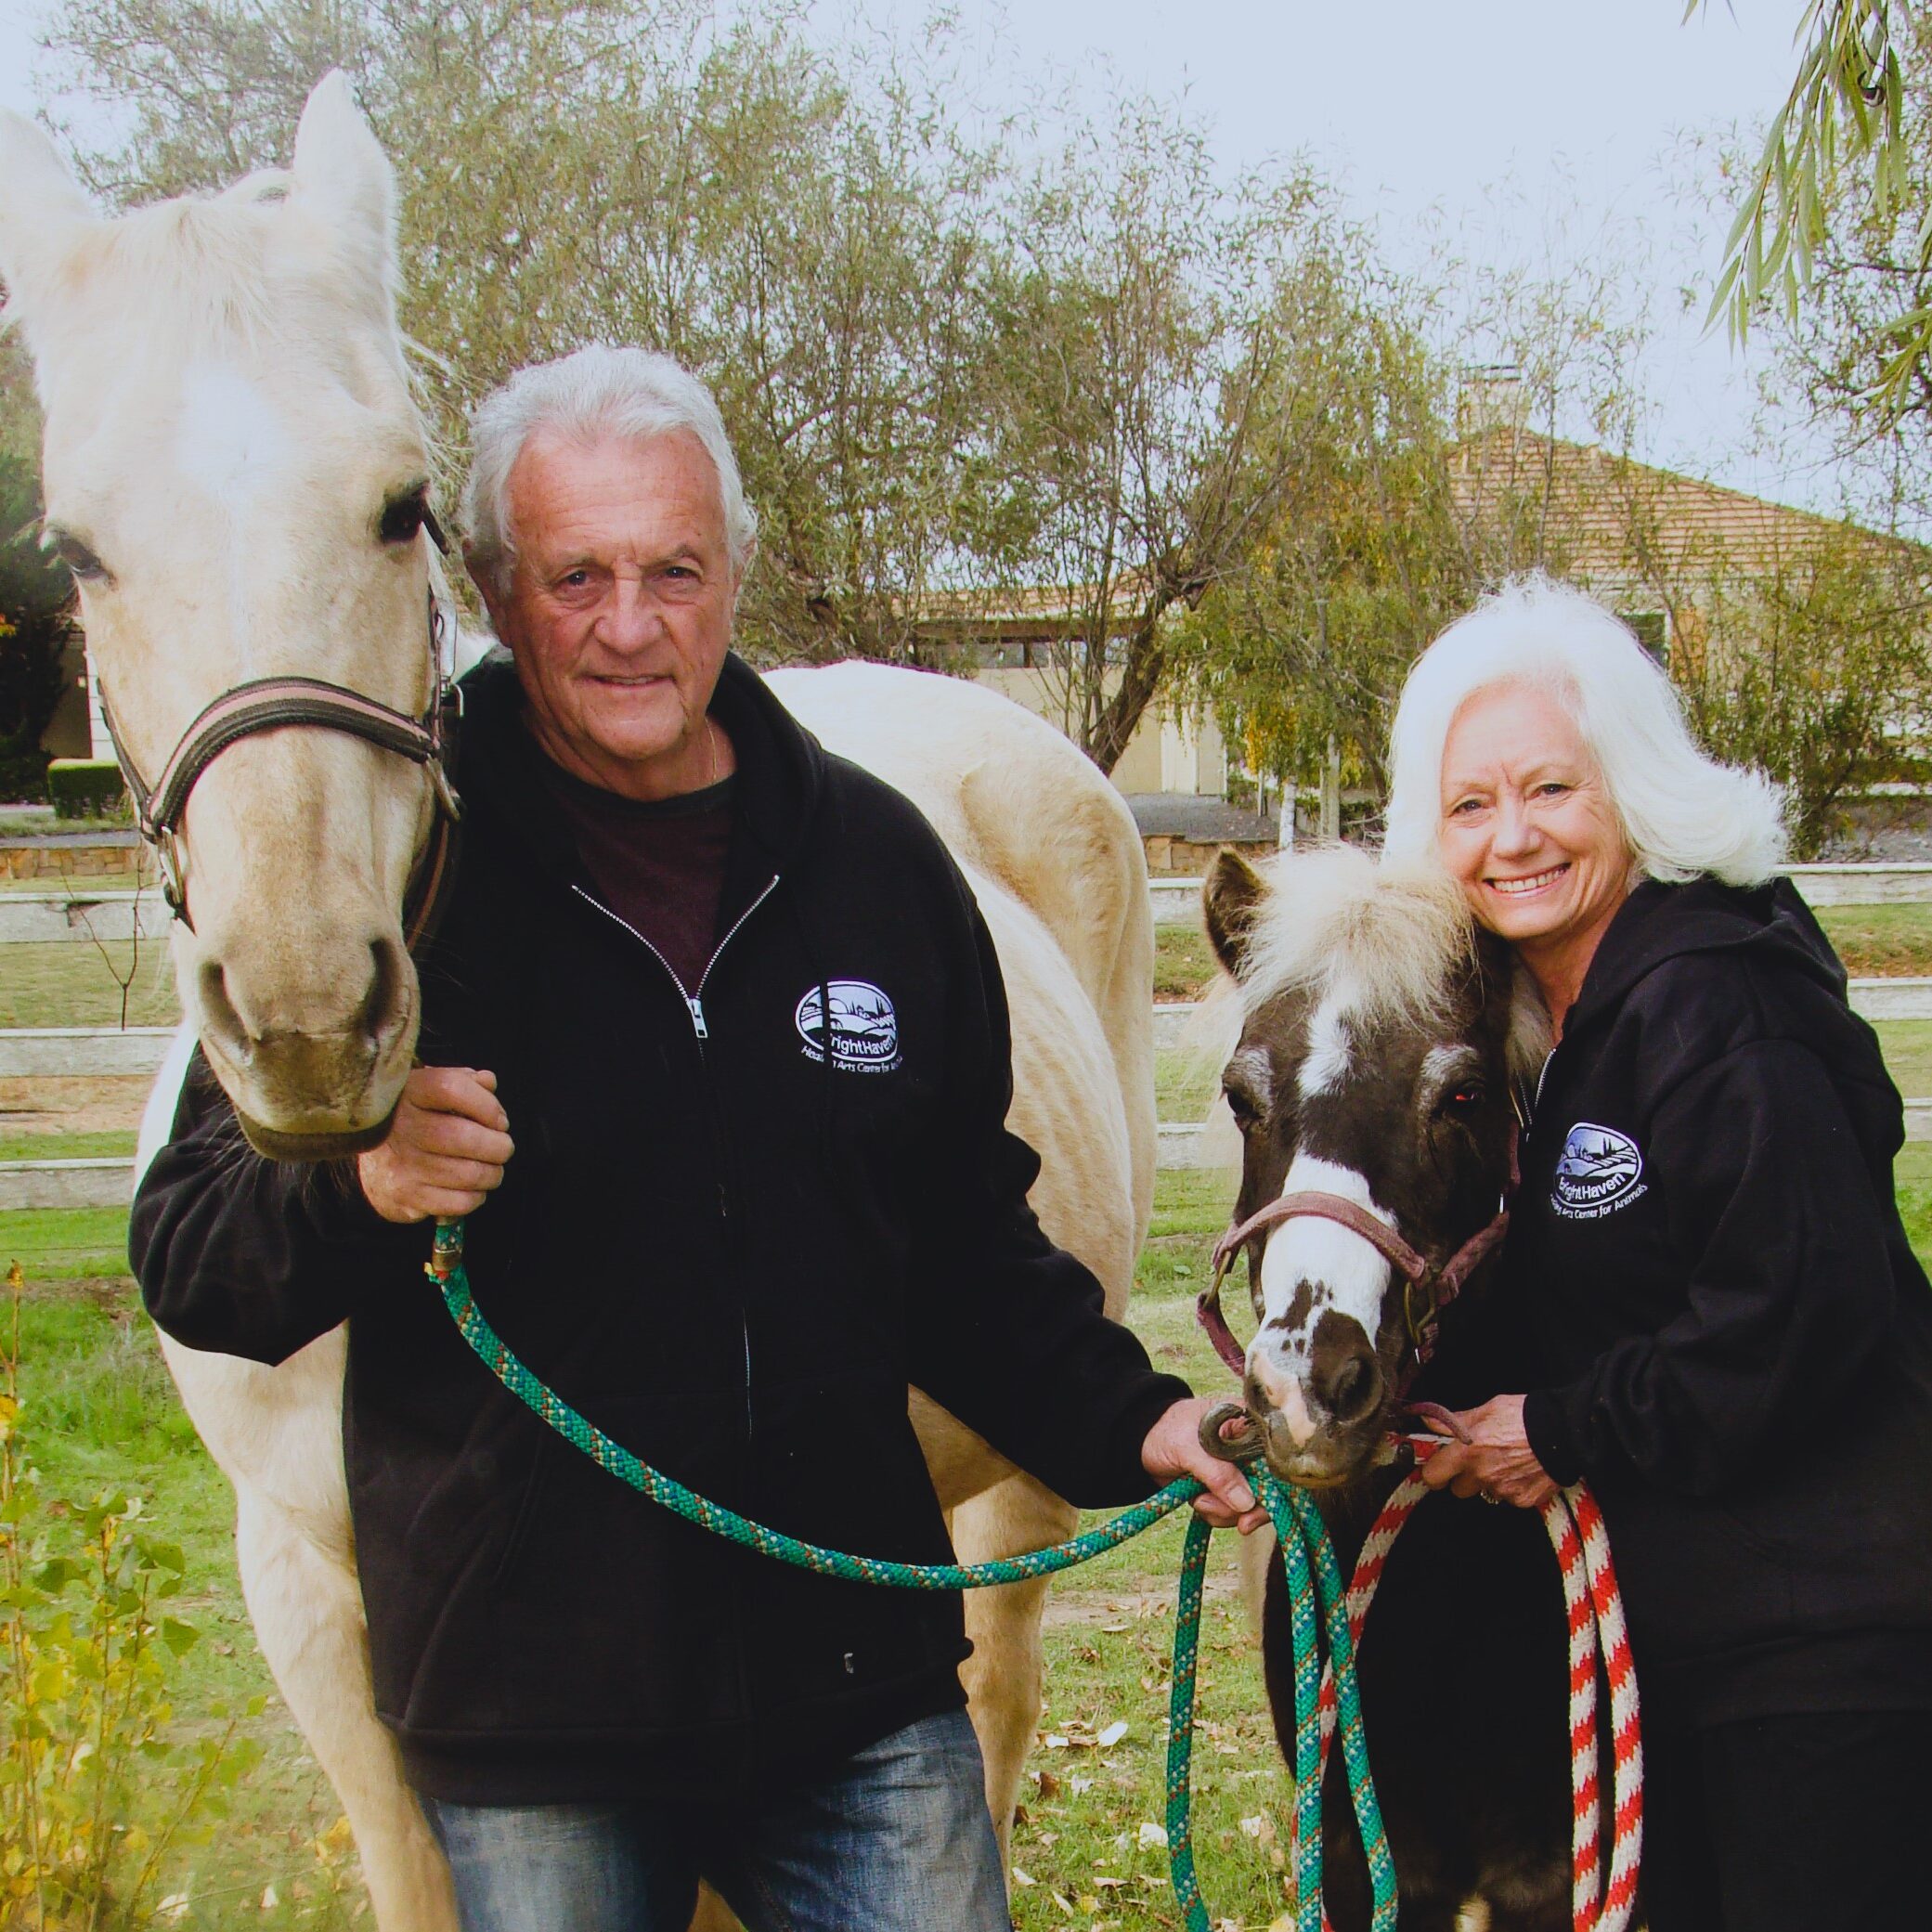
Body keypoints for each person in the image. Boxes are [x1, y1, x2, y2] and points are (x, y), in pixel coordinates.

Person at [132, 345, 1261, 1932]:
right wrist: (358, 1186)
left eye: (674, 567)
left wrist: (1133, 1421)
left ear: (732, 572)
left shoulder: (876, 860)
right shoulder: (378, 894)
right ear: (498, 594)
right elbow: (189, 1258)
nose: (629, 621)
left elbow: (960, 1241)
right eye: (574, 573)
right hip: (539, 1732)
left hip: (857, 1693)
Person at [1378, 573, 1932, 1931]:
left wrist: (1559, 1427)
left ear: (1629, 787)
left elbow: (1802, 1311)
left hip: (1825, 1647)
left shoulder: (1715, 1001)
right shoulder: (1580, 1025)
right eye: (1469, 805)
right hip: (1698, 1638)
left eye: (1551, 790)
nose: (1511, 837)